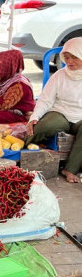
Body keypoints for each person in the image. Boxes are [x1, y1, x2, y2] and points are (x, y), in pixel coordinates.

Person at [25, 37, 82, 183]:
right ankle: (21, 148)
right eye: (67, 57)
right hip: (60, 112)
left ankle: (70, 169)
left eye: (74, 57)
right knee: (44, 126)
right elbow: (45, 100)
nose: (69, 62)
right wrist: (34, 118)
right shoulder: (59, 76)